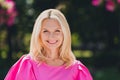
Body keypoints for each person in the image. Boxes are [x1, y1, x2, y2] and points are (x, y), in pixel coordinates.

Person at [4, 9, 93, 80]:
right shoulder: (27, 64)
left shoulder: (77, 69)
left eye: (57, 31)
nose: (51, 36)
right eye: (45, 31)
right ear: (39, 34)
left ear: (64, 34)